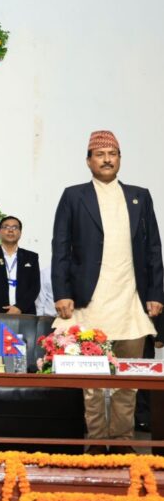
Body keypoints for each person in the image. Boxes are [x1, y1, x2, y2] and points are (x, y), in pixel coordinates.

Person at [51, 130, 164, 455]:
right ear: (88, 161)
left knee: (127, 380)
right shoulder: (74, 196)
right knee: (92, 382)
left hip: (130, 302)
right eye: (99, 154)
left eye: (112, 154)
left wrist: (156, 293)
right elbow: (61, 248)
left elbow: (154, 249)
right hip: (89, 304)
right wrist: (62, 292)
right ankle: (97, 443)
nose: (106, 160)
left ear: (120, 159)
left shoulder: (140, 196)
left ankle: (123, 444)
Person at [0, 216, 40, 315]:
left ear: (20, 233)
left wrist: (19, 307)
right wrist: (5, 311)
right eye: (6, 227)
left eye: (15, 227)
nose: (10, 230)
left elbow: (35, 287)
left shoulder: (31, 257)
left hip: (25, 313)